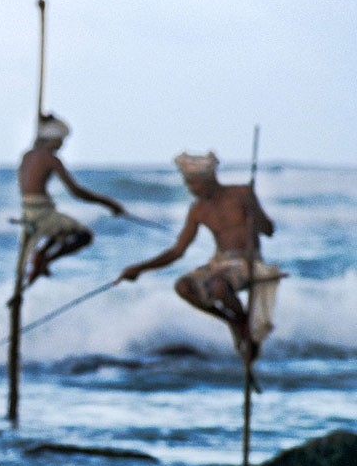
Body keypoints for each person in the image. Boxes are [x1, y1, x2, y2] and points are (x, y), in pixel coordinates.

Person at [117, 151, 280, 362]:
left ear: (209, 180)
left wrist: (253, 213)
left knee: (219, 286)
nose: (191, 190)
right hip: (220, 263)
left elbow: (269, 230)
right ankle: (235, 321)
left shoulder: (241, 193)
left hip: (248, 261)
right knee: (183, 287)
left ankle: (244, 329)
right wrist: (139, 268)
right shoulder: (198, 210)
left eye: (194, 184)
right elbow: (177, 251)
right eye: (187, 184)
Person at [17, 113, 125, 285]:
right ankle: (45, 259)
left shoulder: (27, 155)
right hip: (41, 214)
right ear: (52, 138)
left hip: (29, 211)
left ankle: (41, 255)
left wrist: (45, 120)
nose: (62, 144)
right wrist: (109, 203)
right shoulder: (51, 159)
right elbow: (76, 191)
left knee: (60, 229)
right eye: (61, 139)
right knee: (84, 236)